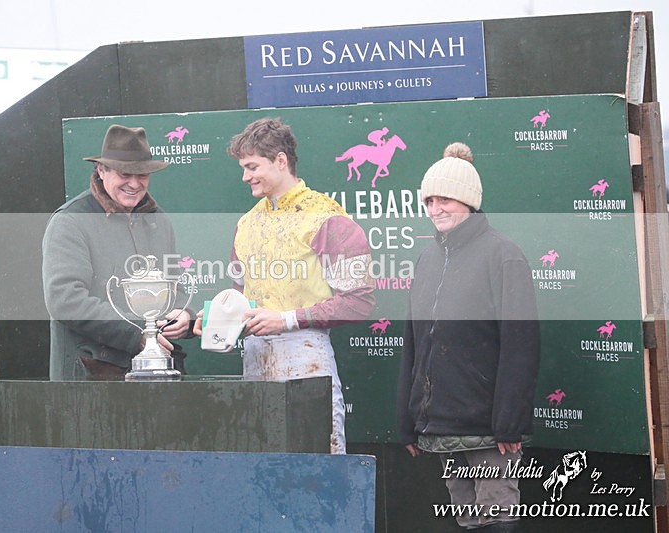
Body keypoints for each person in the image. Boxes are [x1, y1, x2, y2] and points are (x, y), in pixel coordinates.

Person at [195, 117, 376, 454]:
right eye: (243, 168)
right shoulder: (246, 223)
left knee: (318, 462)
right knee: (261, 466)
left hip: (306, 356)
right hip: (254, 360)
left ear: (280, 161)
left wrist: (286, 320)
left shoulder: (327, 216)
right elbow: (239, 296)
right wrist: (208, 319)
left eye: (252, 167)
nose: (245, 177)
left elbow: (359, 300)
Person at [396, 142, 540, 531]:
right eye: (429, 201)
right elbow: (414, 343)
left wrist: (508, 422)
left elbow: (521, 346)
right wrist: (408, 419)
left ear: (469, 201)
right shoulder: (427, 258)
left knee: (497, 521)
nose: (435, 209)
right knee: (468, 522)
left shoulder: (503, 255)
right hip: (441, 427)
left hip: (490, 432)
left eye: (445, 199)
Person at [42, 125, 193, 380]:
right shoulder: (70, 221)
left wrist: (184, 316)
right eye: (125, 174)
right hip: (91, 380)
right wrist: (137, 335)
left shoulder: (159, 221)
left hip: (158, 375)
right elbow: (65, 300)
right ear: (101, 171)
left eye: (142, 174)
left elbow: (174, 289)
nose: (134, 183)